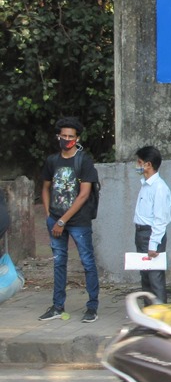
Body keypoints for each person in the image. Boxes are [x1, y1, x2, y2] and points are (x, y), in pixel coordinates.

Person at [39, 117, 101, 323]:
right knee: (59, 264)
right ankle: (57, 306)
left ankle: (92, 307)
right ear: (58, 136)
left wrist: (62, 221)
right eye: (63, 136)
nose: (66, 139)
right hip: (55, 220)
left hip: (78, 222)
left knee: (87, 263)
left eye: (71, 137)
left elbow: (84, 194)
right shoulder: (52, 161)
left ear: (77, 138)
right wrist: (49, 214)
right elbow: (45, 187)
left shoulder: (84, 160)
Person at [133, 146, 171, 303]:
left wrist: (153, 243)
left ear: (148, 164)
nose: (137, 165)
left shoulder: (159, 188)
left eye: (139, 162)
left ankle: (160, 317)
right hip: (141, 234)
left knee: (154, 277)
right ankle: (149, 317)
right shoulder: (146, 185)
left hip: (151, 234)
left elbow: (160, 219)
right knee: (146, 277)